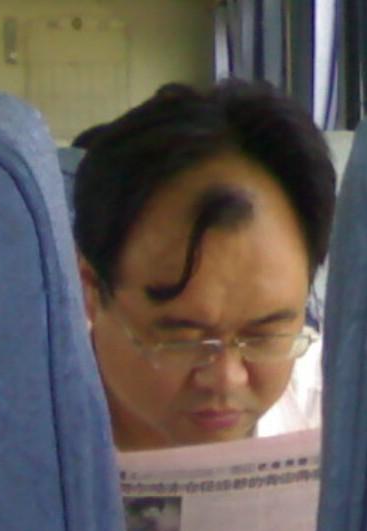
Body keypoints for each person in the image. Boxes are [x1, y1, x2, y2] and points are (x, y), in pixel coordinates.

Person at [73, 79, 335, 451]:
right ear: (90, 290)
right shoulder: (7, 439)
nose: (227, 379)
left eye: (265, 337)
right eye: (181, 340)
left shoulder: (346, 418)